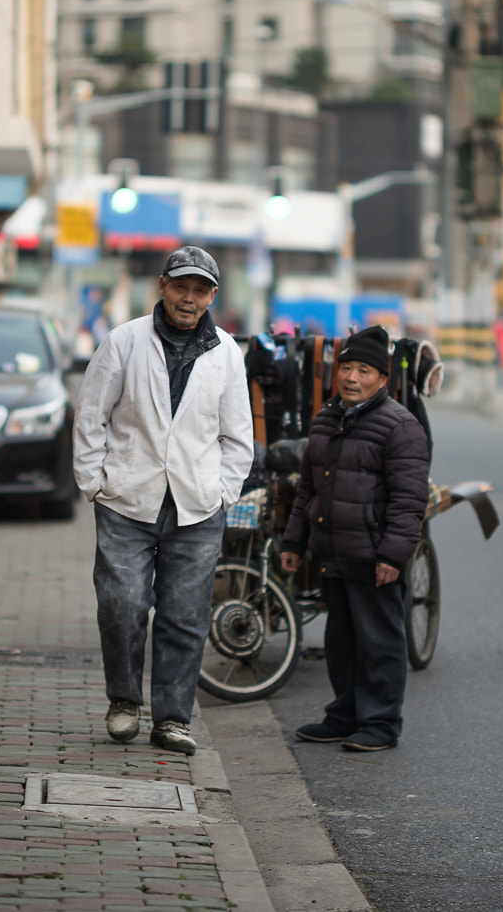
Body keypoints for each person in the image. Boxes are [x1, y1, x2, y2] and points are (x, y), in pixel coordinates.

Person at [72, 246, 254, 756]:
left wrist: (223, 493)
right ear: (163, 286)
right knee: (122, 603)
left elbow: (239, 437)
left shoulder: (226, 353)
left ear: (212, 295)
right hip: (126, 499)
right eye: (181, 287)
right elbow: (91, 417)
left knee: (184, 615)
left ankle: (173, 719)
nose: (188, 298)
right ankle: (124, 702)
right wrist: (95, 483)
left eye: (199, 290)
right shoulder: (124, 342)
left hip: (197, 505)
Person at [279, 326, 430, 752]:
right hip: (334, 551)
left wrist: (393, 555)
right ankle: (345, 714)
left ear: (383, 380)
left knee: (379, 642)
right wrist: (294, 543)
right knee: (341, 642)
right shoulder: (326, 419)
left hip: (374, 555)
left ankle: (381, 723)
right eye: (346, 367)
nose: (351, 377)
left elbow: (408, 500)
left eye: (364, 370)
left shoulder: (401, 427)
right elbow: (306, 490)